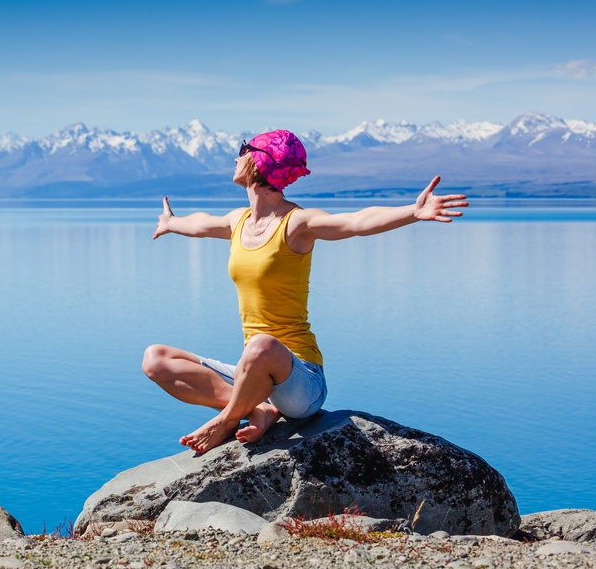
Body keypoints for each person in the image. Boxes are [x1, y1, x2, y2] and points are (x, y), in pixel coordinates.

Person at [143, 129, 468, 455]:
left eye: (243, 148)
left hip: (302, 381)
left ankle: (227, 419)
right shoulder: (237, 221)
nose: (235, 156)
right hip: (256, 377)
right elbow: (200, 223)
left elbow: (355, 221)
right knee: (155, 360)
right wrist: (172, 222)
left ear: (259, 161)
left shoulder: (296, 224)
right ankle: (257, 408)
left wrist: (412, 212)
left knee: (260, 346)